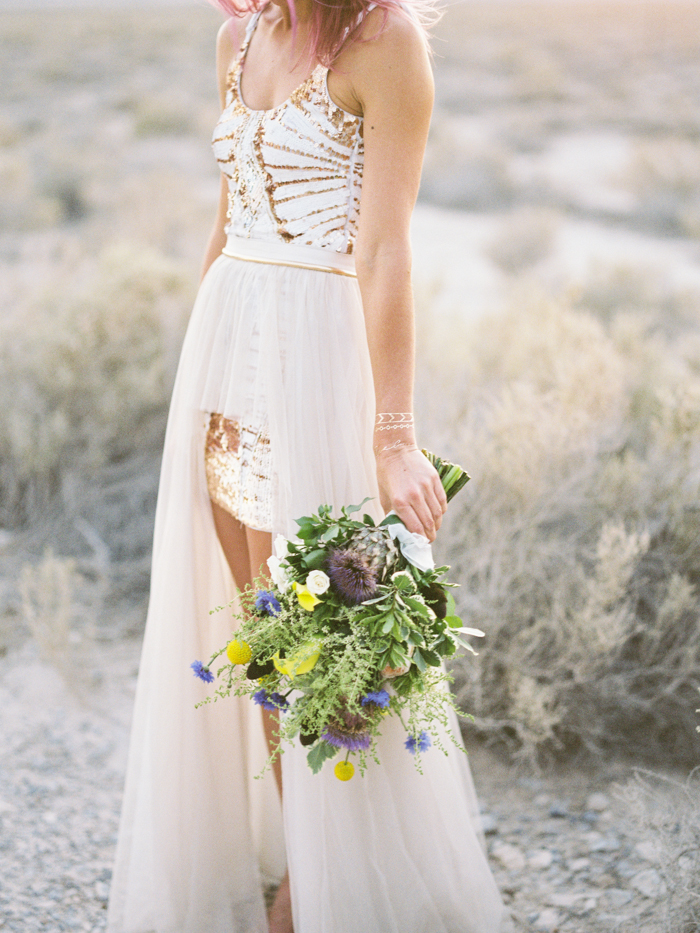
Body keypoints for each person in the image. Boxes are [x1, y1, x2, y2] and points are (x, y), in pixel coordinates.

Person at [107, 0, 506, 930]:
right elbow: (226, 222)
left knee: (324, 635)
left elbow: (387, 248)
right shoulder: (237, 38)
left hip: (317, 360)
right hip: (229, 343)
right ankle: (302, 861)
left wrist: (395, 434)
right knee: (260, 636)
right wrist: (195, 369)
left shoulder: (387, 42)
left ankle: (332, 889)